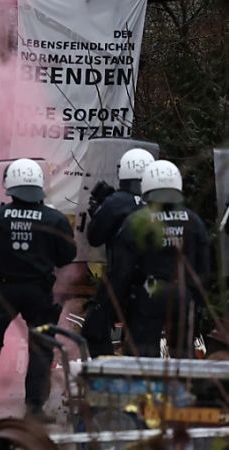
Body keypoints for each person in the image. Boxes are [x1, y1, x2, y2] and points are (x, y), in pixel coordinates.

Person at [0, 158, 77, 423]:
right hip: (38, 293)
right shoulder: (55, 219)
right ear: (39, 186)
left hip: (3, 290)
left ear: (10, 185)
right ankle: (35, 408)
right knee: (40, 348)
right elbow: (66, 256)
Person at [110, 160, 209, 358]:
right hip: (183, 293)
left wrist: (118, 303)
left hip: (149, 291)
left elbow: (122, 269)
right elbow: (203, 267)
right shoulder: (193, 221)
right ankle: (181, 388)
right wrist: (198, 302)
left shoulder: (138, 221)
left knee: (143, 354)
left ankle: (145, 388)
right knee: (183, 356)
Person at [82, 148, 155, 357]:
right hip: (154, 281)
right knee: (142, 341)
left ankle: (108, 376)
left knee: (94, 330)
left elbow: (95, 237)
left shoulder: (116, 202)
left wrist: (97, 213)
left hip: (119, 278)